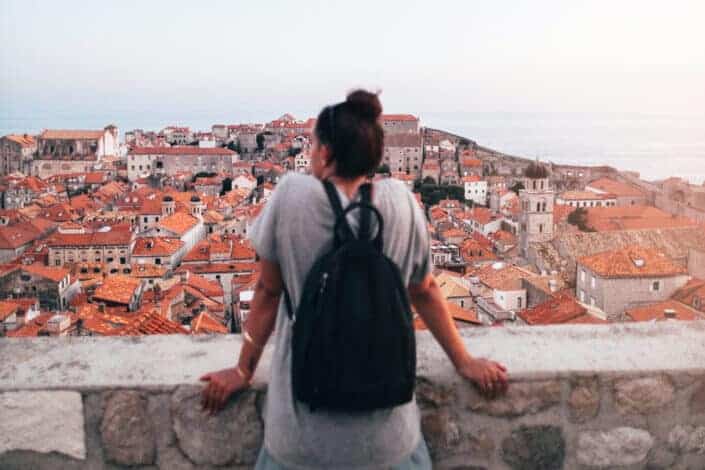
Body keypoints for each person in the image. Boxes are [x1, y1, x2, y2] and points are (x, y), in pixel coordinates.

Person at [200, 90, 509, 470]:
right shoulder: (400, 202)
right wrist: (463, 361)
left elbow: (267, 291)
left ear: (325, 153)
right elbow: (425, 290)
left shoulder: (292, 196)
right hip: (387, 445)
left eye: (313, 145)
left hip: (300, 441)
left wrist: (243, 369)